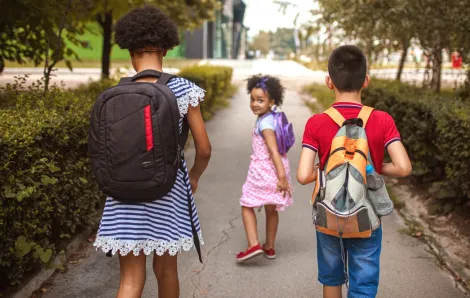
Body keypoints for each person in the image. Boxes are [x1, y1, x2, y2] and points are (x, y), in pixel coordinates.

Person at [92, 7, 211, 298]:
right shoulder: (184, 89)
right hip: (167, 190)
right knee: (166, 271)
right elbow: (205, 149)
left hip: (122, 194)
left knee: (130, 280)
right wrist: (193, 177)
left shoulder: (117, 93)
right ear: (167, 49)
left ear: (131, 52)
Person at [297, 45, 412, 298]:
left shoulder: (316, 123)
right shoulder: (382, 120)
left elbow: (303, 176)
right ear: (366, 81)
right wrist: (371, 167)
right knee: (363, 285)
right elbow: (404, 167)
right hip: (367, 215)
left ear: (329, 82)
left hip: (328, 214)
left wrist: (327, 168)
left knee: (331, 278)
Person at [236, 75, 293, 262]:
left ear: (272, 101)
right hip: (274, 171)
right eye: (252, 99)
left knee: (247, 204)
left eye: (260, 100)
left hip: (263, 171)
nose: (254, 104)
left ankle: (253, 245)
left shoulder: (265, 123)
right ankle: (269, 247)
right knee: (271, 209)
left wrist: (282, 177)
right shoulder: (271, 117)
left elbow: (273, 151)